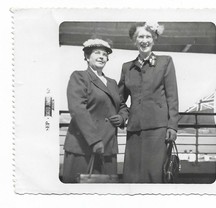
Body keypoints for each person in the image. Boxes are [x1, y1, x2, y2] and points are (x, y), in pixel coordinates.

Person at [118, 22, 179, 183]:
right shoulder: (127, 68)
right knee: (132, 175)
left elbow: (172, 97)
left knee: (154, 175)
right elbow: (119, 99)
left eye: (148, 36)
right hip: (134, 129)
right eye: (140, 36)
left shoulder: (165, 62)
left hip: (158, 129)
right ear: (134, 40)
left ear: (154, 39)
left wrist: (172, 126)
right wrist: (124, 115)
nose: (144, 40)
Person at [61, 38, 128, 183]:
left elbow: (122, 106)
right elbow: (78, 109)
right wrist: (95, 140)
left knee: (105, 192)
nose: (101, 56)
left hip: (108, 146)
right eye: (97, 53)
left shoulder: (112, 83)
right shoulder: (79, 77)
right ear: (86, 56)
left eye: (104, 54)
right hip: (83, 146)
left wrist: (122, 117)